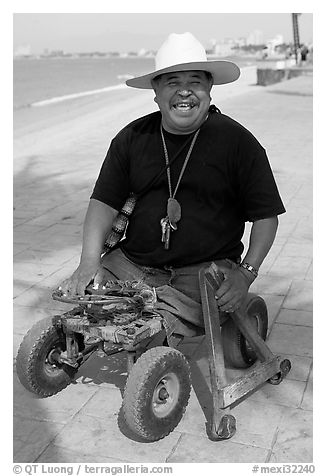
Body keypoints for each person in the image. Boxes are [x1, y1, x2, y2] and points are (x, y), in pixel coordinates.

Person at [59, 32, 285, 344]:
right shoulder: (132, 138)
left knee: (151, 323)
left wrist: (245, 274)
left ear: (209, 88)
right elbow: (104, 202)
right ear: (156, 90)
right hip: (132, 264)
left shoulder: (239, 143)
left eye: (194, 81)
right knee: (85, 296)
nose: (185, 92)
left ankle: (157, 322)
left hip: (202, 272)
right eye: (172, 82)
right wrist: (88, 261)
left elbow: (267, 217)